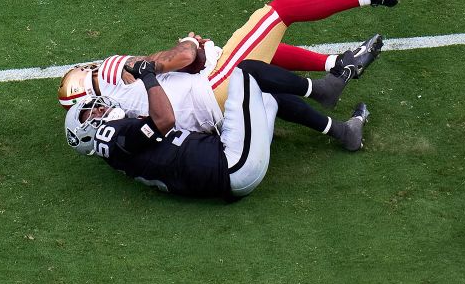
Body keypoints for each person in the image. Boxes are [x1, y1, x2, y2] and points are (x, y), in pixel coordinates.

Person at [58, 0, 399, 136]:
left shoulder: (120, 124)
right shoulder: (112, 79)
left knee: (259, 59)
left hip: (211, 119)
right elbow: (169, 62)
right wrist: (189, 46)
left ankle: (339, 115)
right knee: (278, 12)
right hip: (213, 93)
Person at [63, 56, 375, 200]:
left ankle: (345, 133)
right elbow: (164, 121)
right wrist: (148, 78)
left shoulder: (118, 150)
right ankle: (323, 89)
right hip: (234, 163)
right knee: (245, 71)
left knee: (265, 97)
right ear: (92, 133)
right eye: (94, 112)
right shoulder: (118, 138)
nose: (100, 108)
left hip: (230, 177)